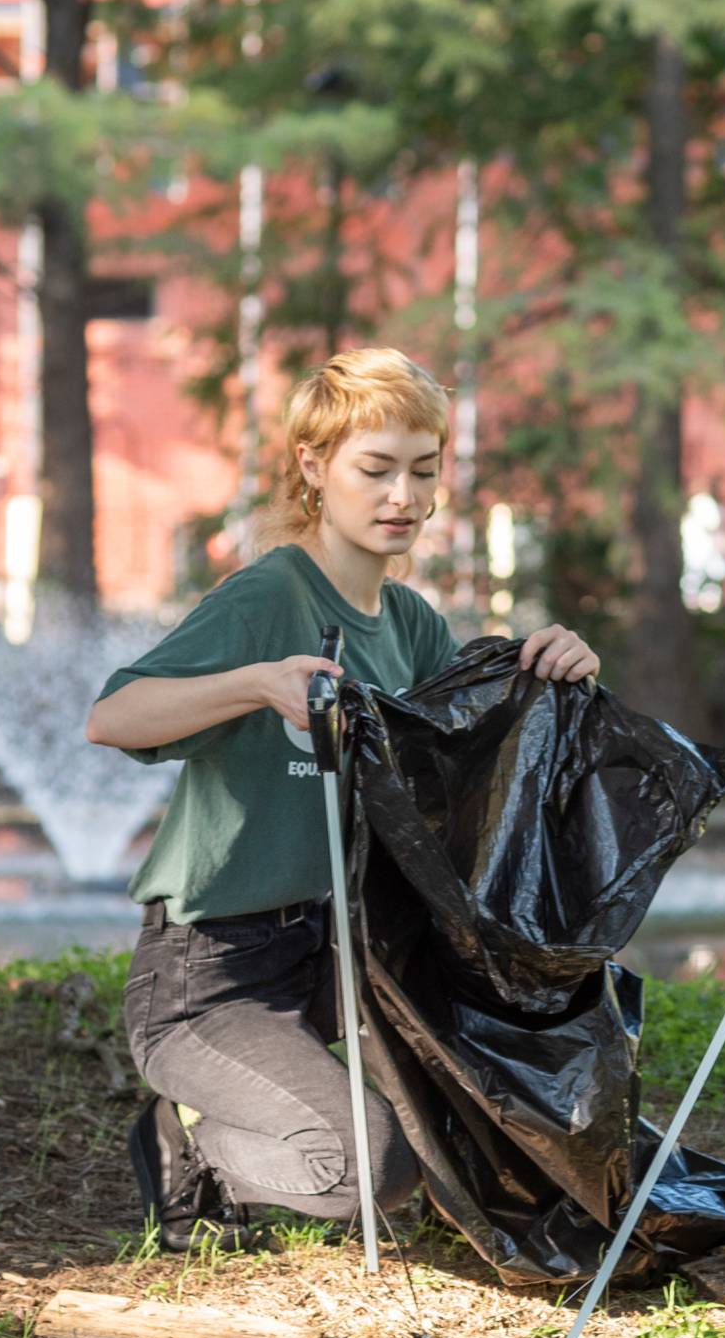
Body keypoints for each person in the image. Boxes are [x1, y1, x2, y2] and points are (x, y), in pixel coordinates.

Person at [87, 347, 599, 1250]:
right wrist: (256, 685)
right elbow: (115, 717)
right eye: (376, 469)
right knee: (373, 1167)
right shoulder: (268, 595)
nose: (402, 496)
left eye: (423, 471)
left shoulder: (412, 626)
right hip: (211, 975)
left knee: (490, 1098)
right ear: (316, 467)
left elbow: (466, 772)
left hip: (349, 961)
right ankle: (191, 1149)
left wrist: (551, 672)